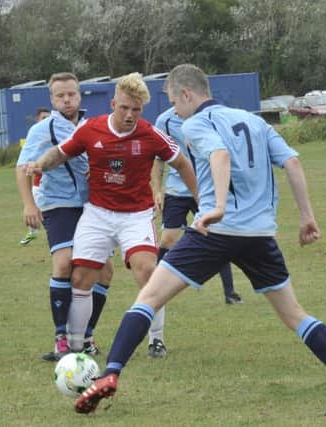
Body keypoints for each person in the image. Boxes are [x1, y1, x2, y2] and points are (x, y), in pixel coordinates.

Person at [73, 63, 326, 415]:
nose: (174, 110)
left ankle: (110, 375)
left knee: (148, 296)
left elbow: (219, 154)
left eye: (173, 100)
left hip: (214, 232)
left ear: (186, 94)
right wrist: (307, 217)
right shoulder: (256, 121)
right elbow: (291, 162)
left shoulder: (195, 122)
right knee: (295, 314)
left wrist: (214, 205)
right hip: (260, 235)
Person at [25, 73, 198, 359]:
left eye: (136, 110)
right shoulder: (91, 130)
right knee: (81, 277)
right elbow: (60, 153)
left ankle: (156, 340)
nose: (130, 115)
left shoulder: (150, 134)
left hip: (136, 215)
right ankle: (77, 347)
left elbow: (181, 163)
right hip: (98, 214)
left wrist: (201, 202)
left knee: (147, 271)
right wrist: (40, 164)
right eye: (124, 108)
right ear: (113, 102)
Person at [16, 73, 113, 361]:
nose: (67, 100)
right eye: (60, 96)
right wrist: (28, 205)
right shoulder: (43, 130)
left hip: (93, 206)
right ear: (52, 100)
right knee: (64, 262)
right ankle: (61, 337)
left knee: (104, 270)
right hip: (57, 204)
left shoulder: (95, 127)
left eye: (71, 94)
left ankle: (85, 336)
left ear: (80, 96)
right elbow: (23, 168)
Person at [153, 107, 242, 305]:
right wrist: (157, 190)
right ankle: (153, 289)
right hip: (176, 191)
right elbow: (158, 160)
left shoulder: (206, 118)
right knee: (167, 240)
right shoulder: (164, 120)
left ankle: (230, 293)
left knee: (215, 236)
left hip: (204, 190)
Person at [20, 107, 51, 246]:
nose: (47, 120)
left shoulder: (53, 133)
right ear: (37, 119)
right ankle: (32, 232)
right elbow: (25, 161)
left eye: (48, 117)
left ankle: (34, 232)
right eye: (44, 118)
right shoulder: (36, 134)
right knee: (34, 208)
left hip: (50, 184)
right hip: (39, 183)